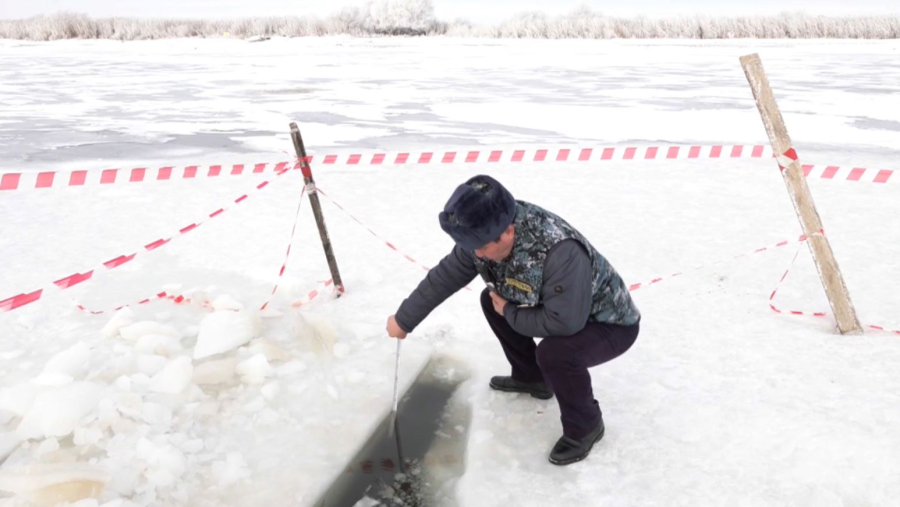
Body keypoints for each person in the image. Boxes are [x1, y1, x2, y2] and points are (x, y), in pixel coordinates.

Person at [386, 174, 641, 466]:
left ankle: (586, 426)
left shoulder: (560, 251)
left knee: (556, 353)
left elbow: (564, 324)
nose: (476, 254)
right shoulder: (482, 234)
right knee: (489, 298)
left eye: (481, 248)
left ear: (507, 232)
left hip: (608, 324)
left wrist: (510, 312)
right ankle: (531, 377)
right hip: (557, 306)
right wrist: (404, 319)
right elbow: (446, 276)